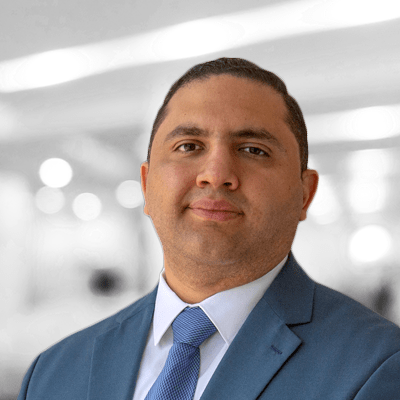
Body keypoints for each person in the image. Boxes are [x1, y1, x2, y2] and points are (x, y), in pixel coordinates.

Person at [18, 58, 400, 399]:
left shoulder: (378, 367)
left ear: (304, 194)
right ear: (147, 186)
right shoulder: (54, 373)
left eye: (253, 149)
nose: (215, 175)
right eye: (188, 146)